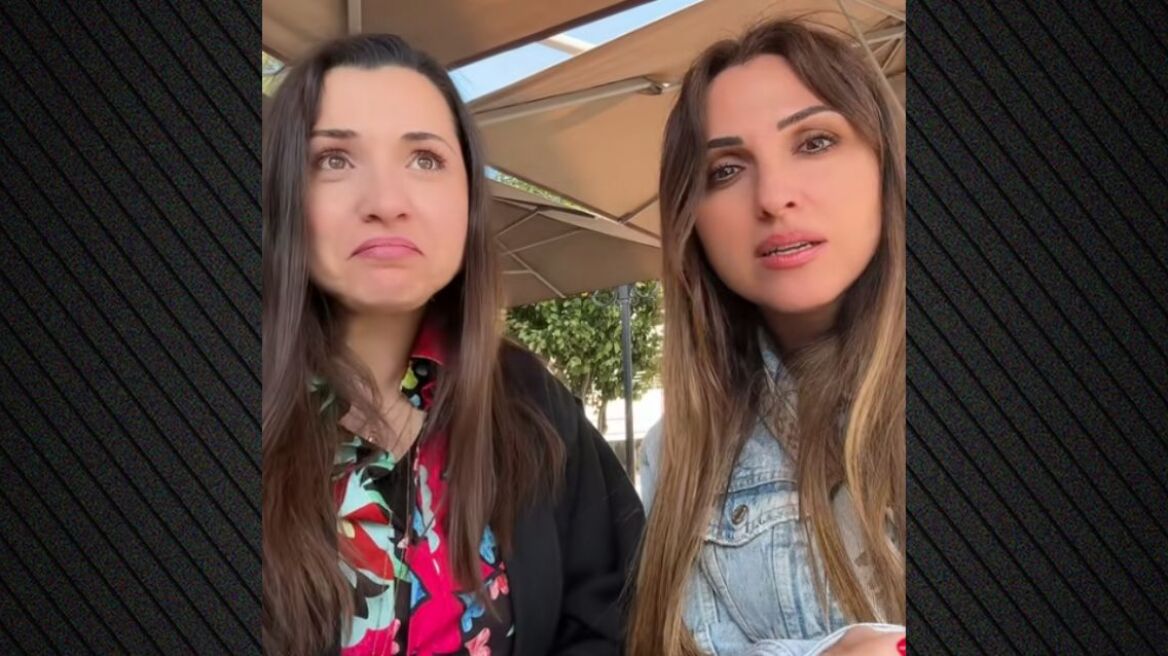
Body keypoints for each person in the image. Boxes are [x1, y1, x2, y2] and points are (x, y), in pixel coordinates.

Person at [261, 33, 644, 656]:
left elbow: (616, 621)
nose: (386, 202)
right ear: (282, 192)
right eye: (333, 159)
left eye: (424, 159)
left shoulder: (534, 406)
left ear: (469, 199)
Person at [628, 19, 906, 656]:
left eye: (814, 142)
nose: (774, 197)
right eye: (726, 170)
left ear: (884, 165)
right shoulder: (678, 451)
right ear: (691, 220)